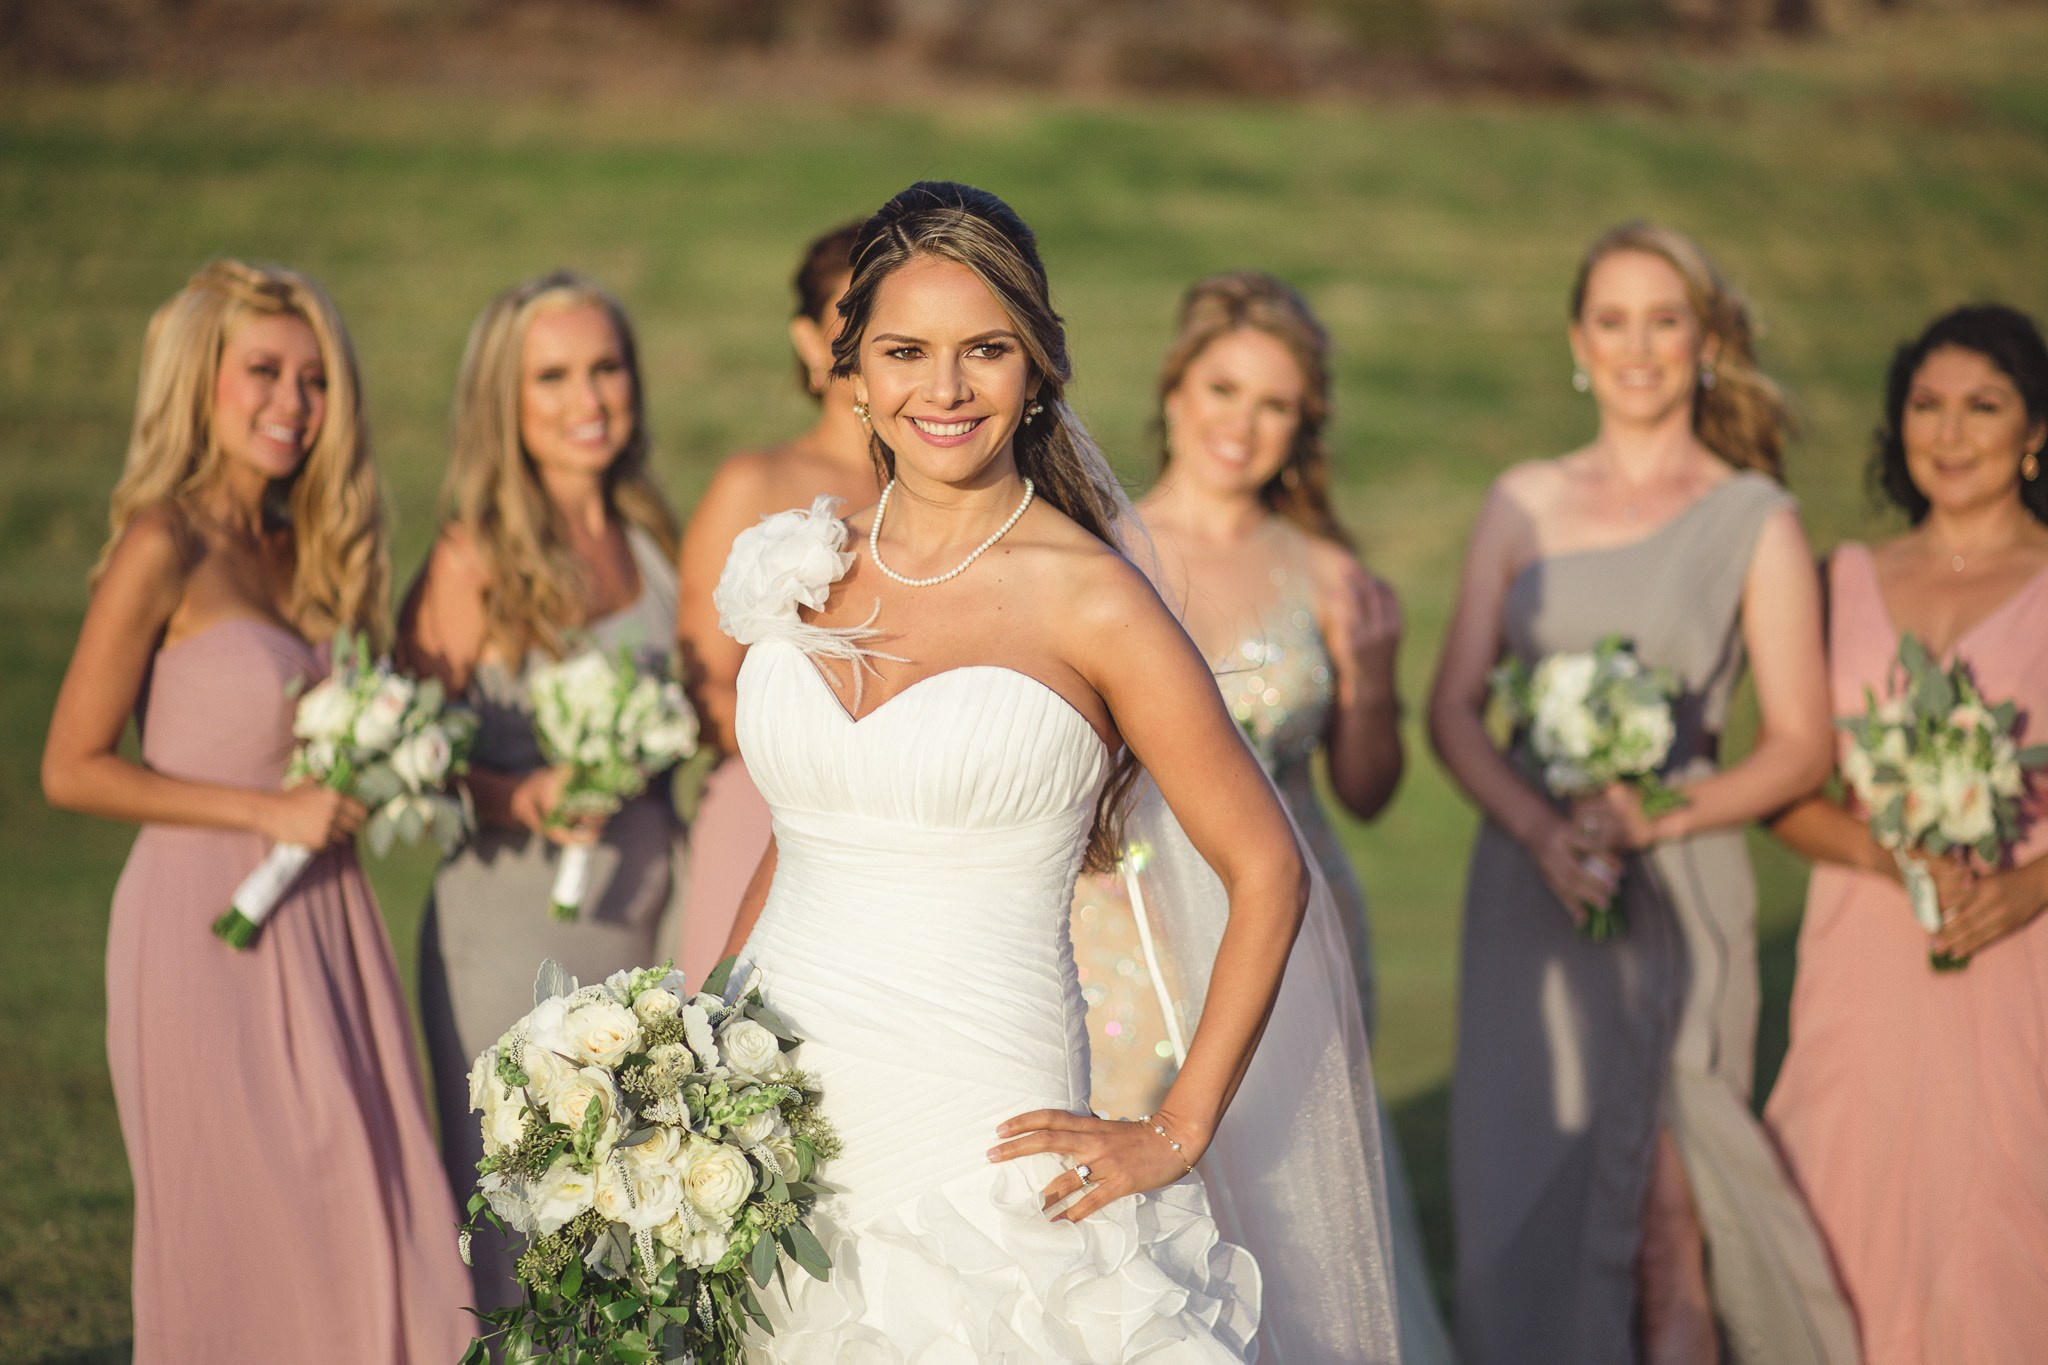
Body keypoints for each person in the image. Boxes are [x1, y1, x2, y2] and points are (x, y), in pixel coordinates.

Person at [711, 181, 1349, 1359]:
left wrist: (1175, 1130)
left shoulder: (1093, 598)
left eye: (985, 350)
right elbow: (800, 834)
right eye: (904, 351)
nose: (944, 389)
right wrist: (691, 1047)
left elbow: (1268, 869)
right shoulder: (807, 562)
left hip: (973, 1124)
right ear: (852, 370)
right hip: (761, 1105)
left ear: (1037, 366)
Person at [1427, 222, 1855, 1365]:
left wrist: (1643, 816)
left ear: (1704, 343)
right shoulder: (1519, 501)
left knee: (1671, 1225)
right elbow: (1452, 711)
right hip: (1532, 891)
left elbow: (1797, 748)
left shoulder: (1753, 517)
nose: (1635, 346)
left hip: (1678, 882)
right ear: (1577, 342)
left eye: (1663, 321)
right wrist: (1541, 832)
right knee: (1534, 1205)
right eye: (1610, 321)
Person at [40, 259, 470, 1362]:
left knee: (373, 1215)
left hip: (327, 920)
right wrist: (266, 811)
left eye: (316, 380)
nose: (294, 402)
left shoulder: (318, 546)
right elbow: (72, 768)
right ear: (204, 382)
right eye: (265, 372)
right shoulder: (163, 544)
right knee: (247, 1230)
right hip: (201, 930)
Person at [1073, 269, 1449, 1364]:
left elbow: (1368, 790)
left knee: (1286, 1199)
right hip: (1124, 934)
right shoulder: (1096, 548)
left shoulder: (1324, 572)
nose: (1241, 423)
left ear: (1303, 426)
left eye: (1274, 403)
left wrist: (1370, 680)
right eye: (1223, 389)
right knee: (1136, 1209)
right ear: (1175, 390)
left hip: (1290, 924)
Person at [1765, 304, 2048, 1365]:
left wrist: (2026, 887)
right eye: (1926, 406)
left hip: (2016, 958)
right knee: (1847, 1223)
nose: (1950, 432)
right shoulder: (1838, 581)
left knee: (2001, 1240)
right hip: (1863, 958)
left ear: (2035, 431)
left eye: (1984, 406)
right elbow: (1785, 789)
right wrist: (1882, 856)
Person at [400, 269, 683, 1310]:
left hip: (648, 909)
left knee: (647, 1215)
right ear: (504, 403)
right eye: (552, 377)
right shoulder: (473, 555)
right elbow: (411, 751)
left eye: (605, 368)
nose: (588, 399)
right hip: (512, 923)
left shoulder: (650, 533)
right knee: (531, 1224)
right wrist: (519, 795)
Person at [674, 219, 876, 984]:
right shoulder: (752, 484)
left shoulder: (954, 497)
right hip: (769, 805)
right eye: (851, 317)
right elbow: (707, 689)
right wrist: (834, 765)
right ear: (806, 340)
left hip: (913, 816)